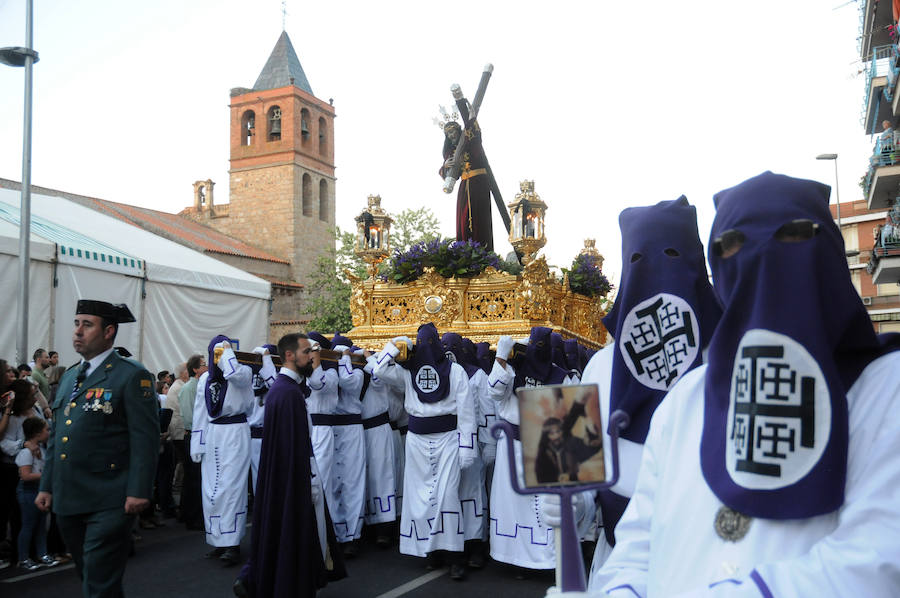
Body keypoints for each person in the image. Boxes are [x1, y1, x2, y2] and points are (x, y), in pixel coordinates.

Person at [594, 172, 900, 596]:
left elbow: (875, 562)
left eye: (792, 236)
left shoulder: (887, 388)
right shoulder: (688, 398)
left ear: (828, 251)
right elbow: (637, 547)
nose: (761, 258)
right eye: (732, 245)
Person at [573, 197, 722, 579]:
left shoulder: (729, 360)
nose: (656, 271)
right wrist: (566, 502)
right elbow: (574, 472)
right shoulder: (599, 366)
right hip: (616, 560)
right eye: (638, 259)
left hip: (707, 565)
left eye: (671, 253)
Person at [35, 299, 159, 598]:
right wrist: (47, 485)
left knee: (100, 579)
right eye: (76, 324)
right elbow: (57, 437)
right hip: (68, 497)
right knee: (90, 575)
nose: (78, 331)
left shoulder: (131, 375)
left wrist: (139, 489)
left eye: (87, 324)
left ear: (109, 332)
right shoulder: (68, 377)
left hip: (110, 498)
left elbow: (145, 438)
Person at [233, 332, 347, 598]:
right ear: (289, 355)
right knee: (297, 531)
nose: (311, 357)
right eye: (306, 352)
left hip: (294, 474)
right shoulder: (287, 393)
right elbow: (291, 445)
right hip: (295, 477)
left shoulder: (288, 390)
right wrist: (307, 480)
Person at [373, 323, 477, 580]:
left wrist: (467, 448)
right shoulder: (408, 372)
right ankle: (430, 552)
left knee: (447, 496)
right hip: (417, 442)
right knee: (420, 498)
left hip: (448, 440)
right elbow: (379, 370)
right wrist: (395, 344)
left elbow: (466, 413)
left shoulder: (455, 371)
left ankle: (455, 555)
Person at [190, 334, 253, 566]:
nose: (216, 358)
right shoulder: (205, 378)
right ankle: (218, 539)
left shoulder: (242, 372)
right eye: (214, 353)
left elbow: (234, 374)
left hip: (235, 432)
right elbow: (199, 412)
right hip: (214, 433)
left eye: (220, 353)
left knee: (232, 488)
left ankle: (232, 542)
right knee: (211, 490)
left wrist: (227, 354)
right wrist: (197, 444)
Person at [440, 119, 493, 251]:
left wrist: (470, 119)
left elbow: (476, 139)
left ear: (458, 131)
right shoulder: (452, 152)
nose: (451, 135)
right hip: (464, 186)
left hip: (479, 184)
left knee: (479, 218)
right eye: (448, 134)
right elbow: (453, 175)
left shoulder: (470, 143)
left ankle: (482, 252)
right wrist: (445, 166)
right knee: (463, 220)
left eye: (453, 131)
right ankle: (464, 253)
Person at [15, 416, 57, 570]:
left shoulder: (42, 450)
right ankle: (23, 558)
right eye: (46, 429)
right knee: (28, 525)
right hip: (28, 491)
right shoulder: (26, 453)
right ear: (37, 433)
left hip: (39, 489)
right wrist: (47, 475)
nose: (49, 432)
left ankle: (43, 554)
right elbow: (25, 476)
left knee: (40, 525)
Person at [179, 354, 206, 530]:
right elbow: (189, 416)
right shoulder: (190, 388)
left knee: (196, 478)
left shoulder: (200, 385)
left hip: (199, 434)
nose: (207, 367)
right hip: (193, 434)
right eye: (203, 365)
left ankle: (191, 513)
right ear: (195, 369)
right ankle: (191, 517)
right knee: (193, 478)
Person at [247, 346, 277, 493]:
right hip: (254, 434)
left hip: (268, 434)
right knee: (258, 477)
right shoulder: (250, 375)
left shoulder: (274, 378)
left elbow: (273, 383)